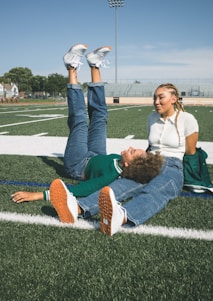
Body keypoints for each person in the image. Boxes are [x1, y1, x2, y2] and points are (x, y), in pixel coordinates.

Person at [11, 44, 164, 216]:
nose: (130, 147)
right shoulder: (123, 164)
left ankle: (71, 66)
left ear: (128, 164)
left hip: (78, 164)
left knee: (80, 120)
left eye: (132, 151)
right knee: (100, 116)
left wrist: (37, 195)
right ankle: (94, 64)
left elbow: (79, 189)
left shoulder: (109, 178)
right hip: (96, 154)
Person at [45, 82, 199, 233]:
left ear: (174, 98)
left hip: (173, 165)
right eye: (154, 98)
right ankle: (77, 208)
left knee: (155, 190)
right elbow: (151, 146)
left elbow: (191, 152)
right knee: (120, 185)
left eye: (161, 97)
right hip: (149, 161)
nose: (156, 102)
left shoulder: (187, 119)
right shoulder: (152, 118)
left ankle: (122, 216)